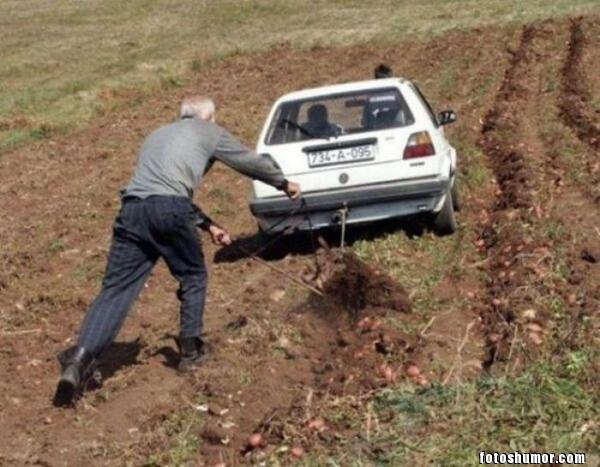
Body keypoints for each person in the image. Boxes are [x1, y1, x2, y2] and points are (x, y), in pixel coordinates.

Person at [54, 96, 301, 406]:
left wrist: (208, 226)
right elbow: (247, 161)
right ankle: (191, 351)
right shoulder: (208, 131)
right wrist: (282, 182)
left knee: (115, 289)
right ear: (208, 117)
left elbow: (162, 189)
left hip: (132, 210)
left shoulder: (157, 135)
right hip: (169, 208)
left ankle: (78, 361)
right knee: (193, 274)